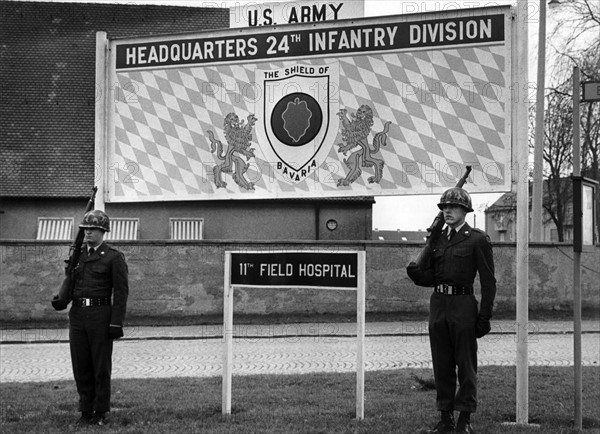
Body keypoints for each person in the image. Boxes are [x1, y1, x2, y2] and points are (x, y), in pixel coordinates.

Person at [406, 187, 496, 434]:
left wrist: (484, 316)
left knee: (466, 366)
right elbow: (431, 278)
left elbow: (488, 282)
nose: (447, 210)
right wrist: (415, 272)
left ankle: (464, 419)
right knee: (442, 364)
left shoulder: (477, 239)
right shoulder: (437, 239)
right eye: (444, 207)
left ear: (465, 211)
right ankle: (445, 418)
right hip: (439, 306)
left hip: (463, 306)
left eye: (453, 207)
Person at [52, 210, 129, 426]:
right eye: (85, 229)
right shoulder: (78, 255)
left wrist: (116, 322)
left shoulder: (114, 257)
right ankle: (85, 410)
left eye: (92, 230)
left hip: (100, 316)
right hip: (77, 316)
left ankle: (100, 411)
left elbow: (121, 293)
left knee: (100, 366)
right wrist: (61, 300)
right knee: (81, 365)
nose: (87, 233)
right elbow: (71, 282)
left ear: (103, 232)